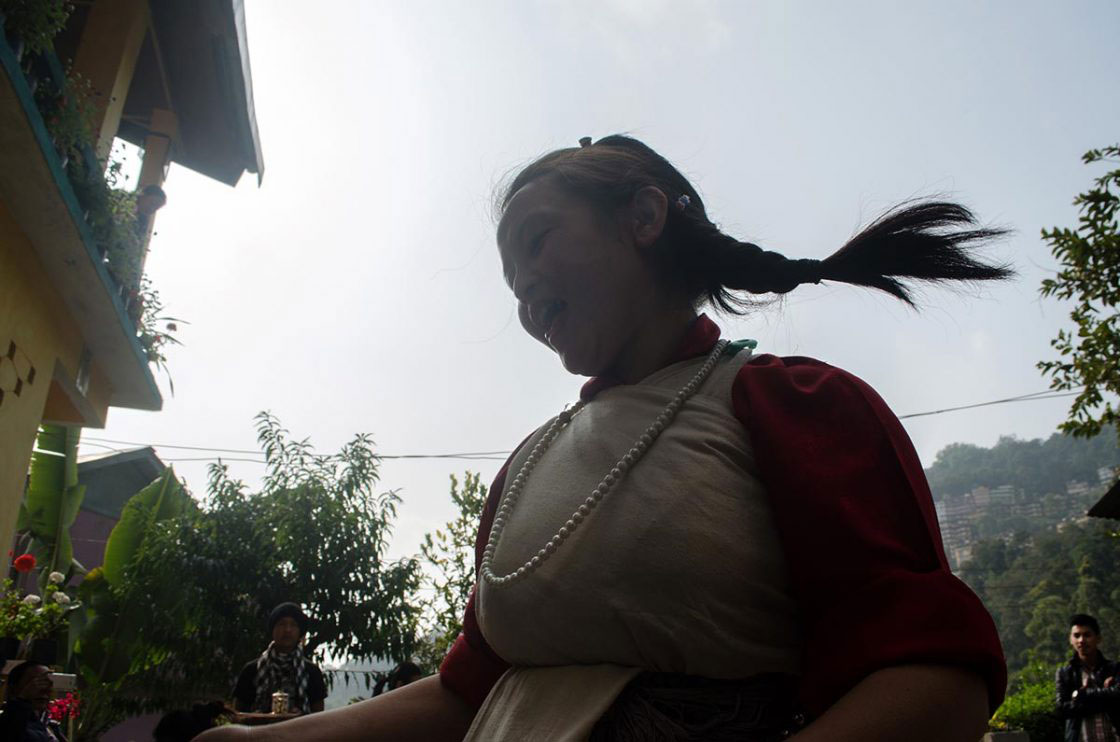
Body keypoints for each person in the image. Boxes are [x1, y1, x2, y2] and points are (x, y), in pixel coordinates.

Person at [195, 134, 1008, 741]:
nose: (521, 289)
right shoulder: (530, 462)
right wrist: (258, 739)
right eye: (509, 280)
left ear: (644, 216)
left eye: (537, 241)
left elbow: (935, 683)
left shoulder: (791, 403)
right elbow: (466, 693)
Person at [232, 602, 327, 715]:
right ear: (273, 630)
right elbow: (238, 714)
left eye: (293, 625)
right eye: (282, 624)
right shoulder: (252, 670)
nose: (287, 630)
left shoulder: (311, 672)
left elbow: (318, 716)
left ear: (299, 632)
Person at [1056, 614, 1120, 742]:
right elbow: (1062, 709)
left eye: (1087, 635)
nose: (1081, 640)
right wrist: (1105, 695)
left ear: (1098, 638)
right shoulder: (1065, 673)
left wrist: (1080, 695)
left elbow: (1118, 694)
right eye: (1077, 635)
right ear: (1070, 639)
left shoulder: (1114, 668)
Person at [0, 661, 66, 741]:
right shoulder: (9, 721)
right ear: (13, 687)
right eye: (37, 682)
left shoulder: (49, 726)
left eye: (47, 683)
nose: (42, 689)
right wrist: (22, 700)